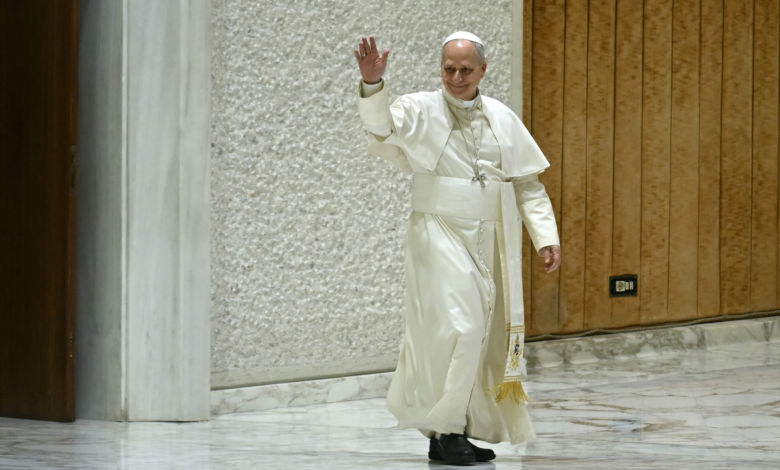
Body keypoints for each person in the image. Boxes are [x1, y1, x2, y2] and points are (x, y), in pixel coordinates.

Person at [354, 32, 562, 465]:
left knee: (480, 337)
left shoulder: (502, 117)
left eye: (466, 69)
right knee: (462, 330)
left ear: (483, 70)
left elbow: (527, 185)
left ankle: (449, 431)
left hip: (490, 241)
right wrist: (373, 84)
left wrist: (545, 236)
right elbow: (380, 127)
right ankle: (447, 430)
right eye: (449, 68)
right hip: (439, 232)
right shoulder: (420, 108)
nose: (456, 77)